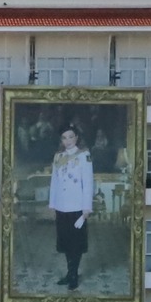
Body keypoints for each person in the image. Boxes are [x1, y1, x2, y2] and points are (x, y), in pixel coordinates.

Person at [47, 123, 94, 291]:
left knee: (76, 243)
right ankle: (69, 273)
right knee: (66, 242)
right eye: (64, 138)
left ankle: (74, 274)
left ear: (77, 138)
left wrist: (86, 209)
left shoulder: (84, 156)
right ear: (61, 140)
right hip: (61, 205)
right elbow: (54, 182)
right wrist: (52, 204)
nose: (68, 141)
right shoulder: (58, 157)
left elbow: (88, 184)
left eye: (71, 137)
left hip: (77, 206)